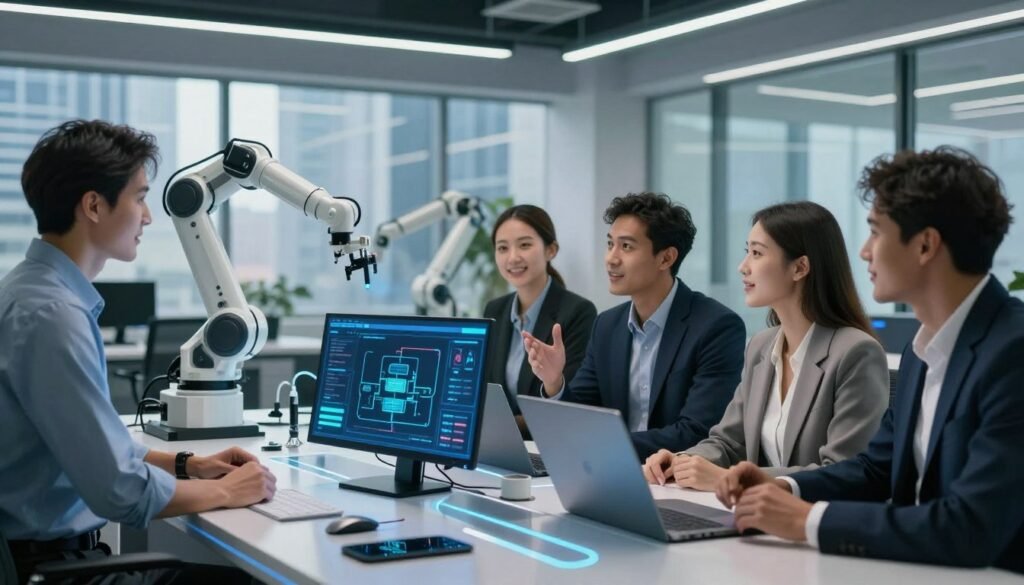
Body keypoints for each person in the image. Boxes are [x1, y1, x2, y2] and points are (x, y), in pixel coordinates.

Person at [715, 147, 1024, 573]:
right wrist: (780, 484)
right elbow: (875, 469)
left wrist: (807, 520)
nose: (864, 251)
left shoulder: (1012, 352)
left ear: (925, 245)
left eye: (876, 232)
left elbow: (971, 527)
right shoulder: (923, 351)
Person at [0, 120, 277, 584]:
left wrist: (189, 465)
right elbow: (120, 492)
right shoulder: (52, 315)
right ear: (93, 205)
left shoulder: (29, 293)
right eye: (140, 197)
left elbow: (88, 443)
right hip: (58, 573)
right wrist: (229, 491)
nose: (148, 217)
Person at [641, 201, 888, 490]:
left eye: (757, 253)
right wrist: (682, 461)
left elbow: (844, 470)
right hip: (757, 516)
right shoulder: (762, 345)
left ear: (800, 267)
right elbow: (729, 441)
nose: (743, 267)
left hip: (815, 522)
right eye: (747, 252)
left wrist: (734, 480)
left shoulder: (856, 352)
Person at [522, 192, 746, 459]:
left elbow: (697, 431)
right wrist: (554, 382)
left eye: (626, 247)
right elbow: (581, 413)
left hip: (678, 481)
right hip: (610, 471)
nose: (611, 258)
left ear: (666, 258)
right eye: (610, 244)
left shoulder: (717, 327)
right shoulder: (607, 325)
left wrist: (605, 445)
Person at [483, 205, 596, 431]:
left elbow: (572, 403)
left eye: (524, 245)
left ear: (550, 250)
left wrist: (495, 427)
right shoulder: (494, 311)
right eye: (502, 248)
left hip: (550, 443)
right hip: (499, 444)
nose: (513, 257)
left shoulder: (578, 312)